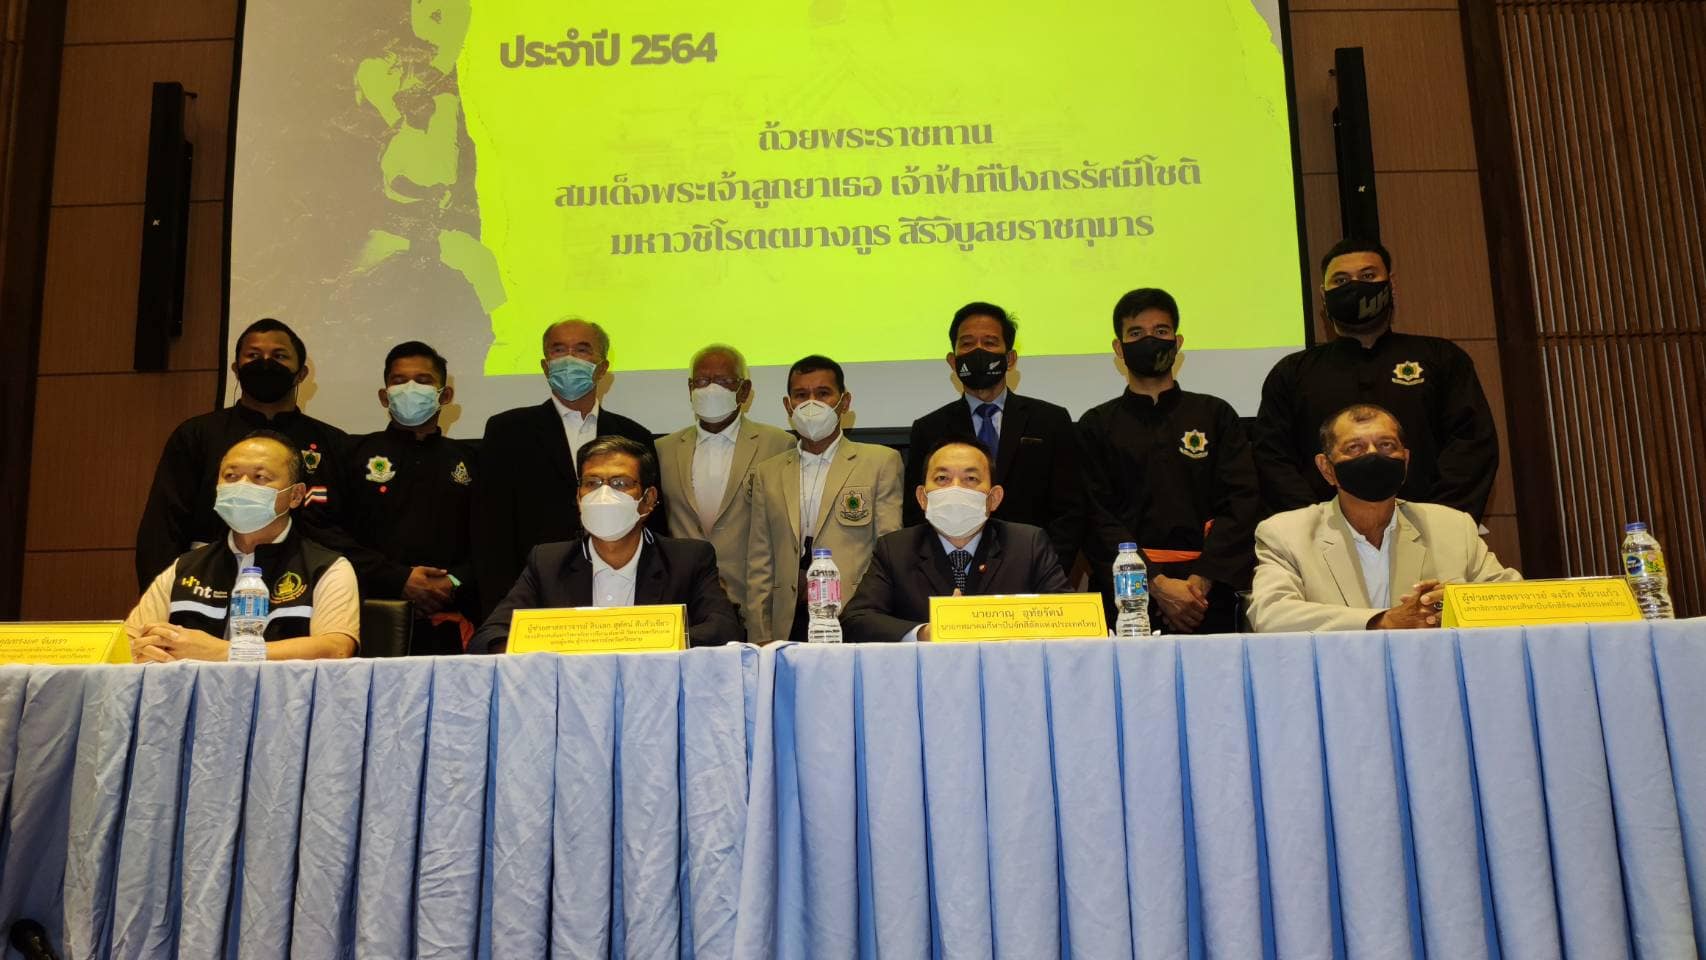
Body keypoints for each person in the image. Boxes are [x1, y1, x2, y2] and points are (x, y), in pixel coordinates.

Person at [1252, 238, 1500, 519]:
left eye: (1368, 276)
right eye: (1341, 280)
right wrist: (1313, 524)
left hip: (1429, 527)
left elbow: (1472, 446)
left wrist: (1437, 521)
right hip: (1321, 533)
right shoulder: (1292, 373)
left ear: (1391, 285)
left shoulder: (1442, 359)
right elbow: (1272, 458)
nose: (1354, 286)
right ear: (1323, 295)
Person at [1077, 288, 1263, 634]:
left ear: (1177, 343)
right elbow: (1096, 515)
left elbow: (1242, 501)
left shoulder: (1215, 414)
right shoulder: (1096, 425)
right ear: (1119, 348)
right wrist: (1156, 584)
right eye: (1136, 333)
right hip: (1127, 595)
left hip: (1208, 595)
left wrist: (1201, 581)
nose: (1149, 340)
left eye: (1160, 331)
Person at [1248, 404, 1520, 634]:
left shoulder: (1452, 527)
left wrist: (1460, 604)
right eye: (1354, 447)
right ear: (1327, 469)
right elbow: (1270, 615)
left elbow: (1516, 600)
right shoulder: (1287, 533)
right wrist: (1382, 621)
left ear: (1406, 460)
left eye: (1386, 445)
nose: (1373, 455)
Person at [134, 318, 350, 590]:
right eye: (253, 356)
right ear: (236, 369)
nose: (266, 363)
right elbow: (162, 528)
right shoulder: (197, 435)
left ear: (301, 374)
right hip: (208, 584)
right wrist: (163, 595)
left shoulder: (333, 442)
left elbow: (349, 529)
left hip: (310, 585)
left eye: (279, 356)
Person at [470, 437, 741, 653]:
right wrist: (552, 648)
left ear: (648, 500)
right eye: (592, 483)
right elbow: (488, 637)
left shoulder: (688, 559)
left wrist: (632, 641)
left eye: (620, 483)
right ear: (579, 498)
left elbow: (725, 631)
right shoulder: (548, 562)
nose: (604, 493)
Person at [472, 318, 660, 617]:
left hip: (623, 593)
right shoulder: (508, 431)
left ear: (602, 367)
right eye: (558, 350)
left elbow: (652, 522)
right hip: (535, 594)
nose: (569, 359)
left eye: (582, 350)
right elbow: (490, 529)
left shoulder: (633, 435)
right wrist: (501, 612)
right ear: (545, 366)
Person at [125, 431, 359, 661]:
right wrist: (146, 651)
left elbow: (336, 649)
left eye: (260, 477)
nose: (241, 486)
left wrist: (225, 652)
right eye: (230, 476)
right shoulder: (185, 568)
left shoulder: (326, 568)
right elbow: (129, 643)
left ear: (296, 495)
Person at [902, 302, 1082, 573]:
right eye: (967, 344)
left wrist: (1047, 570)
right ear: (953, 360)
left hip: (1035, 569)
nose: (978, 351)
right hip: (951, 572)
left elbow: (1070, 511)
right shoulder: (929, 428)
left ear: (1010, 359)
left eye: (989, 343)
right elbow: (917, 514)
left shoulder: (1050, 421)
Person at [844, 437, 1072, 643]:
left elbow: (1070, 616)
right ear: (922, 498)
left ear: (994, 498)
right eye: (942, 478)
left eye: (970, 478)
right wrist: (925, 633)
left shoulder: (1027, 545)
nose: (955, 489)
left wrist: (1000, 624)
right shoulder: (895, 549)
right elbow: (856, 620)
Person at [746, 355, 904, 644]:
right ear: (788, 405)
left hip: (854, 617)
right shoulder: (768, 472)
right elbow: (760, 563)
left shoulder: (880, 462)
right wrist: (760, 637)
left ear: (844, 402)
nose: (811, 404)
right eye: (801, 395)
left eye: (823, 393)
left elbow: (889, 551)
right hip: (788, 622)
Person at [339, 341, 480, 654]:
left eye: (423, 380)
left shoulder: (472, 459)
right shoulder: (351, 454)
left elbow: (489, 539)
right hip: (369, 618)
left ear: (445, 395)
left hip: (452, 621)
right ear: (384, 395)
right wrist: (398, 579)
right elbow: (331, 534)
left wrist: (454, 582)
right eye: (399, 381)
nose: (411, 388)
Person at [656, 344, 793, 619]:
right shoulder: (663, 449)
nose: (711, 389)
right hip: (684, 600)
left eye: (723, 381)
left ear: (744, 390)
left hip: (753, 600)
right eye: (701, 381)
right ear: (690, 388)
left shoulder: (779, 445)